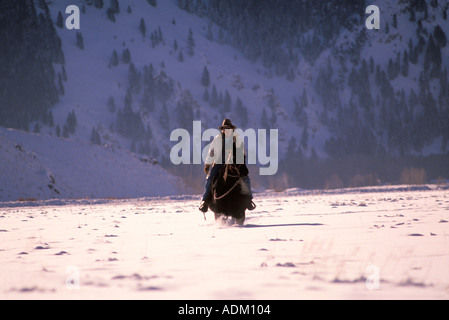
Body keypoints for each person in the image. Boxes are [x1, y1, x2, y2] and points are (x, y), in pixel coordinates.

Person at [199, 119, 256, 213]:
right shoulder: (217, 138)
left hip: (234, 163)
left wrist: (241, 162)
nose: (227, 130)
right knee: (210, 178)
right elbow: (212, 152)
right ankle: (205, 201)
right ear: (223, 129)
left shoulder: (237, 139)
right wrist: (208, 164)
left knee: (245, 178)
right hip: (219, 162)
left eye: (228, 128)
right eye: (225, 128)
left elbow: (242, 152)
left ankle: (248, 199)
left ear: (231, 129)